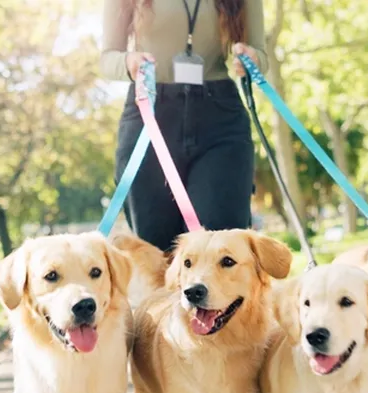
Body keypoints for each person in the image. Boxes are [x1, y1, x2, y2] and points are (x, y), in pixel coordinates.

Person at [101, 0, 267, 253]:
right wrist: (128, 62)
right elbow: (107, 58)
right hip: (150, 110)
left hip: (219, 117)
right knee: (155, 254)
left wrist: (252, 59)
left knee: (219, 250)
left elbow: (260, 55)